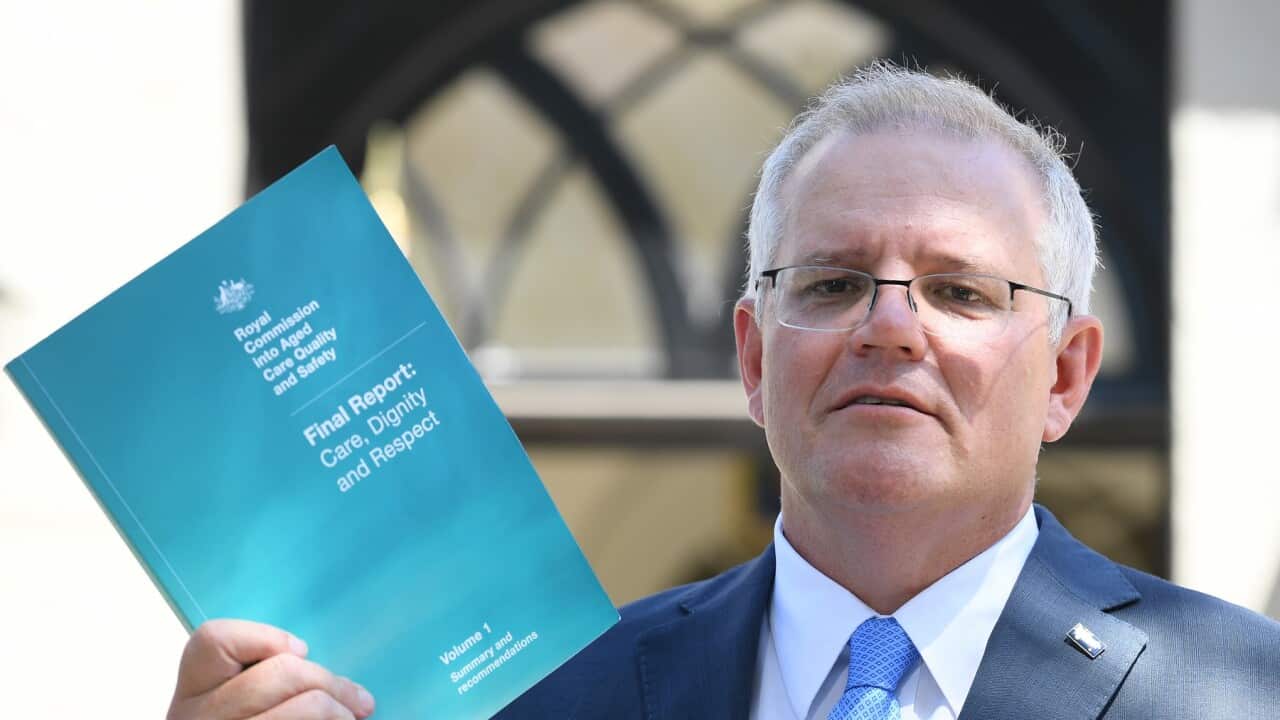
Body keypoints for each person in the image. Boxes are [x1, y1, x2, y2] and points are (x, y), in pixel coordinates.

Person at [166, 62, 1280, 720]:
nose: (890, 326)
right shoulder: (540, 696)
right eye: (834, 280)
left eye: (959, 293)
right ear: (752, 357)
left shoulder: (1238, 692)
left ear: (1066, 376)